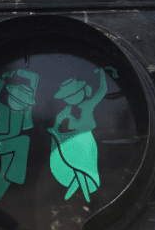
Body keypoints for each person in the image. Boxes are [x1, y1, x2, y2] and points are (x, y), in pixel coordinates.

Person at [47, 66, 117, 202]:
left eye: (75, 94)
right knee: (78, 168)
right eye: (68, 96)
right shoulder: (65, 111)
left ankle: (81, 195)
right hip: (72, 144)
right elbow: (56, 128)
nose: (72, 98)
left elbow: (102, 91)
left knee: (84, 169)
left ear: (82, 92)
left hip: (86, 141)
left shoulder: (88, 105)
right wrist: (57, 127)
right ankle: (82, 195)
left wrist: (103, 74)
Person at [0, 68, 39, 203]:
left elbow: (35, 80)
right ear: (10, 97)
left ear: (26, 105)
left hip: (11, 146)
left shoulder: (23, 116)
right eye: (14, 98)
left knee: (5, 173)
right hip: (1, 143)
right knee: (23, 141)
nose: (17, 102)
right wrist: (1, 80)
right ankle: (17, 177)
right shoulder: (4, 109)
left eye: (22, 102)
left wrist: (30, 79)